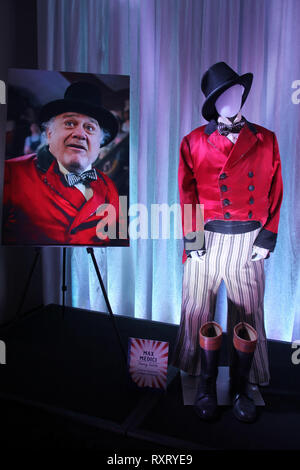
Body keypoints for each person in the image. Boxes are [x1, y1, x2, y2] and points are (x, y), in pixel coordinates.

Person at [172, 62, 283, 422]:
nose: (229, 100)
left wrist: (268, 236)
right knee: (195, 310)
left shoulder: (266, 138)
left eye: (234, 91)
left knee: (249, 314)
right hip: (206, 237)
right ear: (211, 104)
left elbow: (276, 189)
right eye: (221, 95)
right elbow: (186, 194)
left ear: (243, 94)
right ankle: (200, 378)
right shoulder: (192, 141)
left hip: (249, 238)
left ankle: (243, 382)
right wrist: (193, 240)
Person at [2, 81, 124, 246]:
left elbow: (117, 241)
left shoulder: (110, 188)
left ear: (100, 143)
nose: (80, 134)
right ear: (49, 133)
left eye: (89, 128)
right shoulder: (10, 173)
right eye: (70, 123)